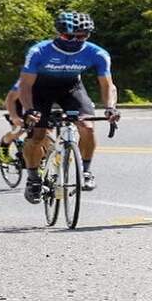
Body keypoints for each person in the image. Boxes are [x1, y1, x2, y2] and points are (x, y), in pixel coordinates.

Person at [18, 12, 120, 203]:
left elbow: (107, 85)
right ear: (59, 33)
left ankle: (86, 171)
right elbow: (25, 85)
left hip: (71, 89)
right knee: (37, 135)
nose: (74, 41)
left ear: (88, 35)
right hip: (40, 90)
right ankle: (33, 179)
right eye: (69, 36)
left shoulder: (98, 53)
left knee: (88, 127)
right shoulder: (39, 51)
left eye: (81, 36)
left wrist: (110, 108)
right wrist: (30, 110)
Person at [0, 79, 25, 165]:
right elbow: (10, 99)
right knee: (18, 130)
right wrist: (14, 117)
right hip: (19, 106)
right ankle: (4, 147)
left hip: (38, 105)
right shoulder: (26, 79)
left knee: (46, 132)